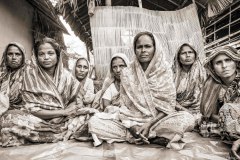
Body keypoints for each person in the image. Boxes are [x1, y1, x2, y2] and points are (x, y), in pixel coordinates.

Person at [89, 32, 195, 149]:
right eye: (139, 47)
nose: (143, 50)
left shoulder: (164, 71)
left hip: (157, 121)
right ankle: (150, 137)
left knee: (187, 119)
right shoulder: (127, 73)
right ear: (135, 50)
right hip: (131, 120)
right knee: (94, 122)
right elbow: (124, 106)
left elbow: (168, 106)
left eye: (147, 46)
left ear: (155, 48)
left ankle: (142, 135)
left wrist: (149, 124)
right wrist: (132, 127)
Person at [0, 38, 97, 147]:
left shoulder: (67, 77)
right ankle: (57, 134)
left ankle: (49, 135)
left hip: (64, 119)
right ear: (36, 57)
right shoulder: (29, 76)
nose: (46, 57)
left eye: (50, 53)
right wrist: (62, 113)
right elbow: (30, 109)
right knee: (10, 120)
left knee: (91, 115)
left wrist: (65, 114)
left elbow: (74, 101)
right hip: (38, 119)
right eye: (41, 54)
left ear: (57, 55)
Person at [200, 46, 240, 158]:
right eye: (218, 62)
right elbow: (209, 114)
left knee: (227, 109)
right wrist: (228, 121)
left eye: (228, 60)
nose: (224, 66)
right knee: (204, 127)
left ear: (236, 62)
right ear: (212, 68)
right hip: (224, 121)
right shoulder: (210, 85)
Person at [173, 43, 206, 126]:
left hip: (200, 111)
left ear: (195, 55)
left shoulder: (204, 72)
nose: (187, 55)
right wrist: (184, 110)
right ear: (178, 57)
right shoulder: (172, 75)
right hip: (177, 110)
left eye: (190, 52)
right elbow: (168, 98)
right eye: (183, 53)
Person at [0, 43, 26, 112]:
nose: (14, 57)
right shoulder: (2, 74)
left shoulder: (29, 73)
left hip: (22, 111)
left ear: (23, 57)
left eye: (18, 54)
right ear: (5, 56)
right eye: (10, 54)